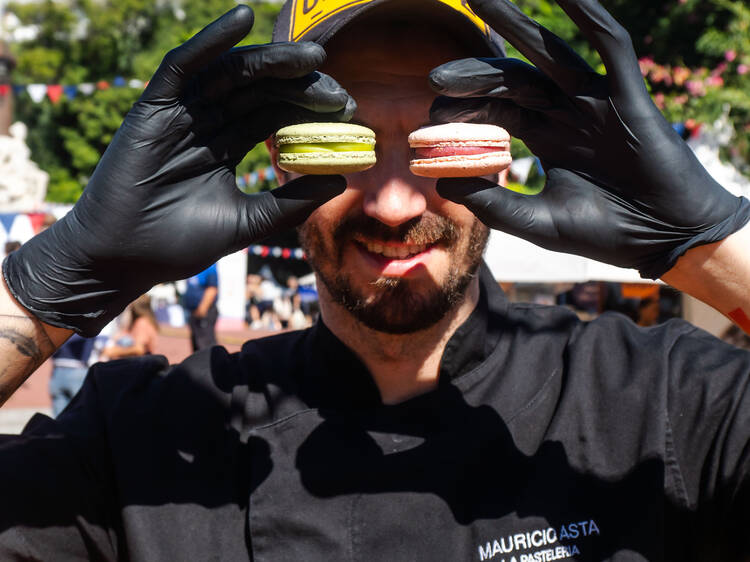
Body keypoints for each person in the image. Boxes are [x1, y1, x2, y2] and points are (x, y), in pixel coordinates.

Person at [0, 1, 749, 560]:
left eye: (436, 145)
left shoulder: (665, 403)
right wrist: (53, 287)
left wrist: (712, 247)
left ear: (502, 153)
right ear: (281, 156)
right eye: (347, 144)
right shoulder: (146, 441)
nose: (395, 202)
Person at [99, 294, 159, 360]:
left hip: (141, 363)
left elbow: (139, 349)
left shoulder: (142, 322)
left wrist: (113, 351)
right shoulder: (146, 320)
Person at [181, 262, 219, 351]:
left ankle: (208, 364)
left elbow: (212, 289)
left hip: (205, 311)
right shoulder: (193, 267)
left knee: (206, 343)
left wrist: (203, 307)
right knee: (196, 343)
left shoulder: (209, 267)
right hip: (194, 311)